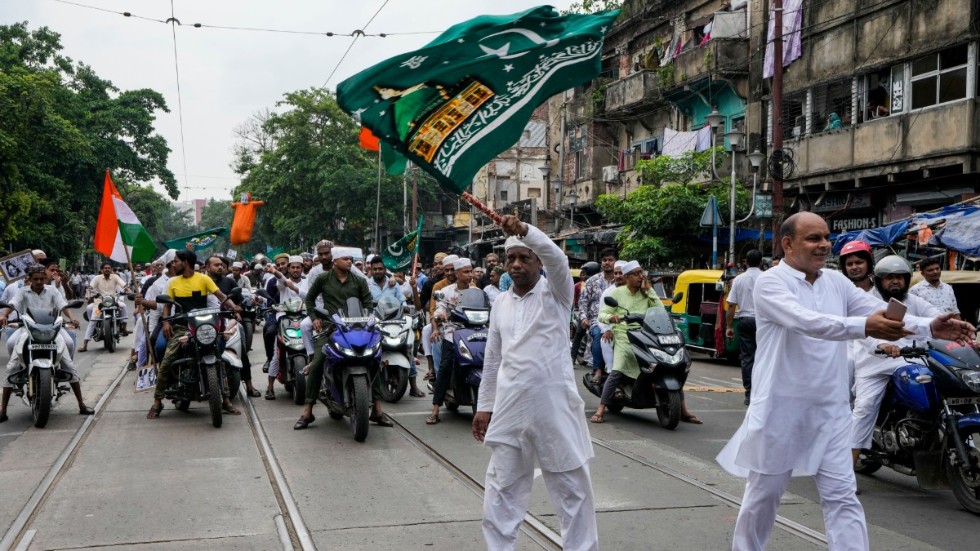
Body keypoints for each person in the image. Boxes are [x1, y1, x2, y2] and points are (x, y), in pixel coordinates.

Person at [715, 212, 974, 551]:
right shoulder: (770, 282)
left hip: (832, 411)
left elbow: (874, 308)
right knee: (764, 497)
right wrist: (865, 327)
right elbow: (807, 322)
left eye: (825, 237)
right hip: (781, 410)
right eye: (813, 238)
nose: (823, 244)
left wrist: (930, 328)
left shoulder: (835, 282)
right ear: (788, 244)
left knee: (843, 496)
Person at [472, 216, 597, 551]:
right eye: (511, 258)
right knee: (501, 490)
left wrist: (526, 231)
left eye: (524, 257)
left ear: (538, 262)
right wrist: (485, 406)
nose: (516, 264)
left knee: (571, 489)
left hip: (552, 407)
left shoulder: (557, 292)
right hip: (510, 408)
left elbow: (558, 259)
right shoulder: (500, 303)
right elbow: (494, 359)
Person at [851, 256, 940, 469]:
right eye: (889, 277)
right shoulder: (867, 299)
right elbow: (865, 331)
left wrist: (955, 328)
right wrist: (882, 345)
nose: (895, 282)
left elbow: (935, 317)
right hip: (875, 363)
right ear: (879, 280)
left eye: (900, 277)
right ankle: (846, 471)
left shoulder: (914, 300)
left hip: (913, 359)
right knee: (864, 408)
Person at [589, 261, 701, 425]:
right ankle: (601, 408)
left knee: (672, 366)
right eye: (636, 273)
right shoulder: (616, 293)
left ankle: (683, 410)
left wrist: (649, 291)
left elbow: (660, 311)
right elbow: (603, 314)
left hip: (647, 333)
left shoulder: (646, 293)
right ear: (627, 277)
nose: (641, 276)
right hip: (624, 334)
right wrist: (611, 318)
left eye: (641, 272)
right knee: (618, 369)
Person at [296, 247, 392, 429]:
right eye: (346, 259)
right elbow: (309, 300)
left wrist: (371, 319)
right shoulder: (323, 278)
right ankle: (307, 412)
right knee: (317, 363)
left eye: (350, 259)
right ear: (336, 261)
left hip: (358, 328)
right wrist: (315, 318)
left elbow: (368, 303)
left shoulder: (359, 280)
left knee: (374, 359)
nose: (349, 262)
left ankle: (378, 410)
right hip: (330, 328)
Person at [146, 250, 242, 419]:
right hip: (182, 328)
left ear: (186, 262)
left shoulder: (203, 279)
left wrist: (234, 308)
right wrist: (167, 322)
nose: (173, 264)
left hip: (204, 326)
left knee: (219, 359)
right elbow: (167, 305)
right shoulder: (173, 282)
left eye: (176, 261)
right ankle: (157, 402)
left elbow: (221, 296)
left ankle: (226, 400)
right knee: (167, 359)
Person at [0, 266, 93, 423]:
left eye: (41, 279)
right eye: (35, 279)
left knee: (69, 355)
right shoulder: (22, 291)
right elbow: (13, 304)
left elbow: (63, 305)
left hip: (52, 329)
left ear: (45, 278)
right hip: (27, 329)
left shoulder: (52, 290)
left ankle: (81, 404)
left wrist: (73, 317)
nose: (38, 282)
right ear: (29, 279)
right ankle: (3, 410)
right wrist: (4, 315)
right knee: (11, 363)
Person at [427, 258, 481, 425]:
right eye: (465, 272)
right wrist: (440, 315)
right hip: (453, 333)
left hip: (475, 332)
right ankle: (435, 409)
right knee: (444, 367)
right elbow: (439, 308)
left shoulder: (477, 291)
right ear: (457, 273)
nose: (470, 274)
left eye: (470, 271)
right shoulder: (446, 291)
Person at [265, 255, 308, 400]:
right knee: (277, 354)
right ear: (288, 269)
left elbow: (308, 296)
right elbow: (281, 280)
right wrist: (275, 272)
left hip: (304, 317)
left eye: (298, 267)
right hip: (284, 317)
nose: (295, 270)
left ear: (302, 269)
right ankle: (270, 387)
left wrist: (294, 288)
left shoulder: (307, 281)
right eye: (293, 267)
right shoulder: (282, 282)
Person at [726, 250, 763, 406]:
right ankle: (762, 391)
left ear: (745, 262)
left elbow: (731, 305)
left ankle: (749, 393)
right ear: (761, 262)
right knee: (764, 357)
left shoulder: (738, 280)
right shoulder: (767, 278)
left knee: (748, 357)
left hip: (745, 320)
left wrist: (729, 326)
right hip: (764, 322)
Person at [578, 248, 618, 384]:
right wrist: (583, 318)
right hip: (596, 320)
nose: (607, 263)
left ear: (616, 262)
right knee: (598, 334)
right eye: (604, 260)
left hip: (618, 320)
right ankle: (598, 370)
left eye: (610, 260)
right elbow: (583, 301)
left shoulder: (621, 281)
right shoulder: (592, 281)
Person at [570, 261, 600, 365]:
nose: (584, 274)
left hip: (599, 315)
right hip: (585, 315)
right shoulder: (582, 284)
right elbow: (581, 300)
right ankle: (572, 357)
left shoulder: (600, 281)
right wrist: (582, 315)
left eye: (586, 272)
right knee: (578, 334)